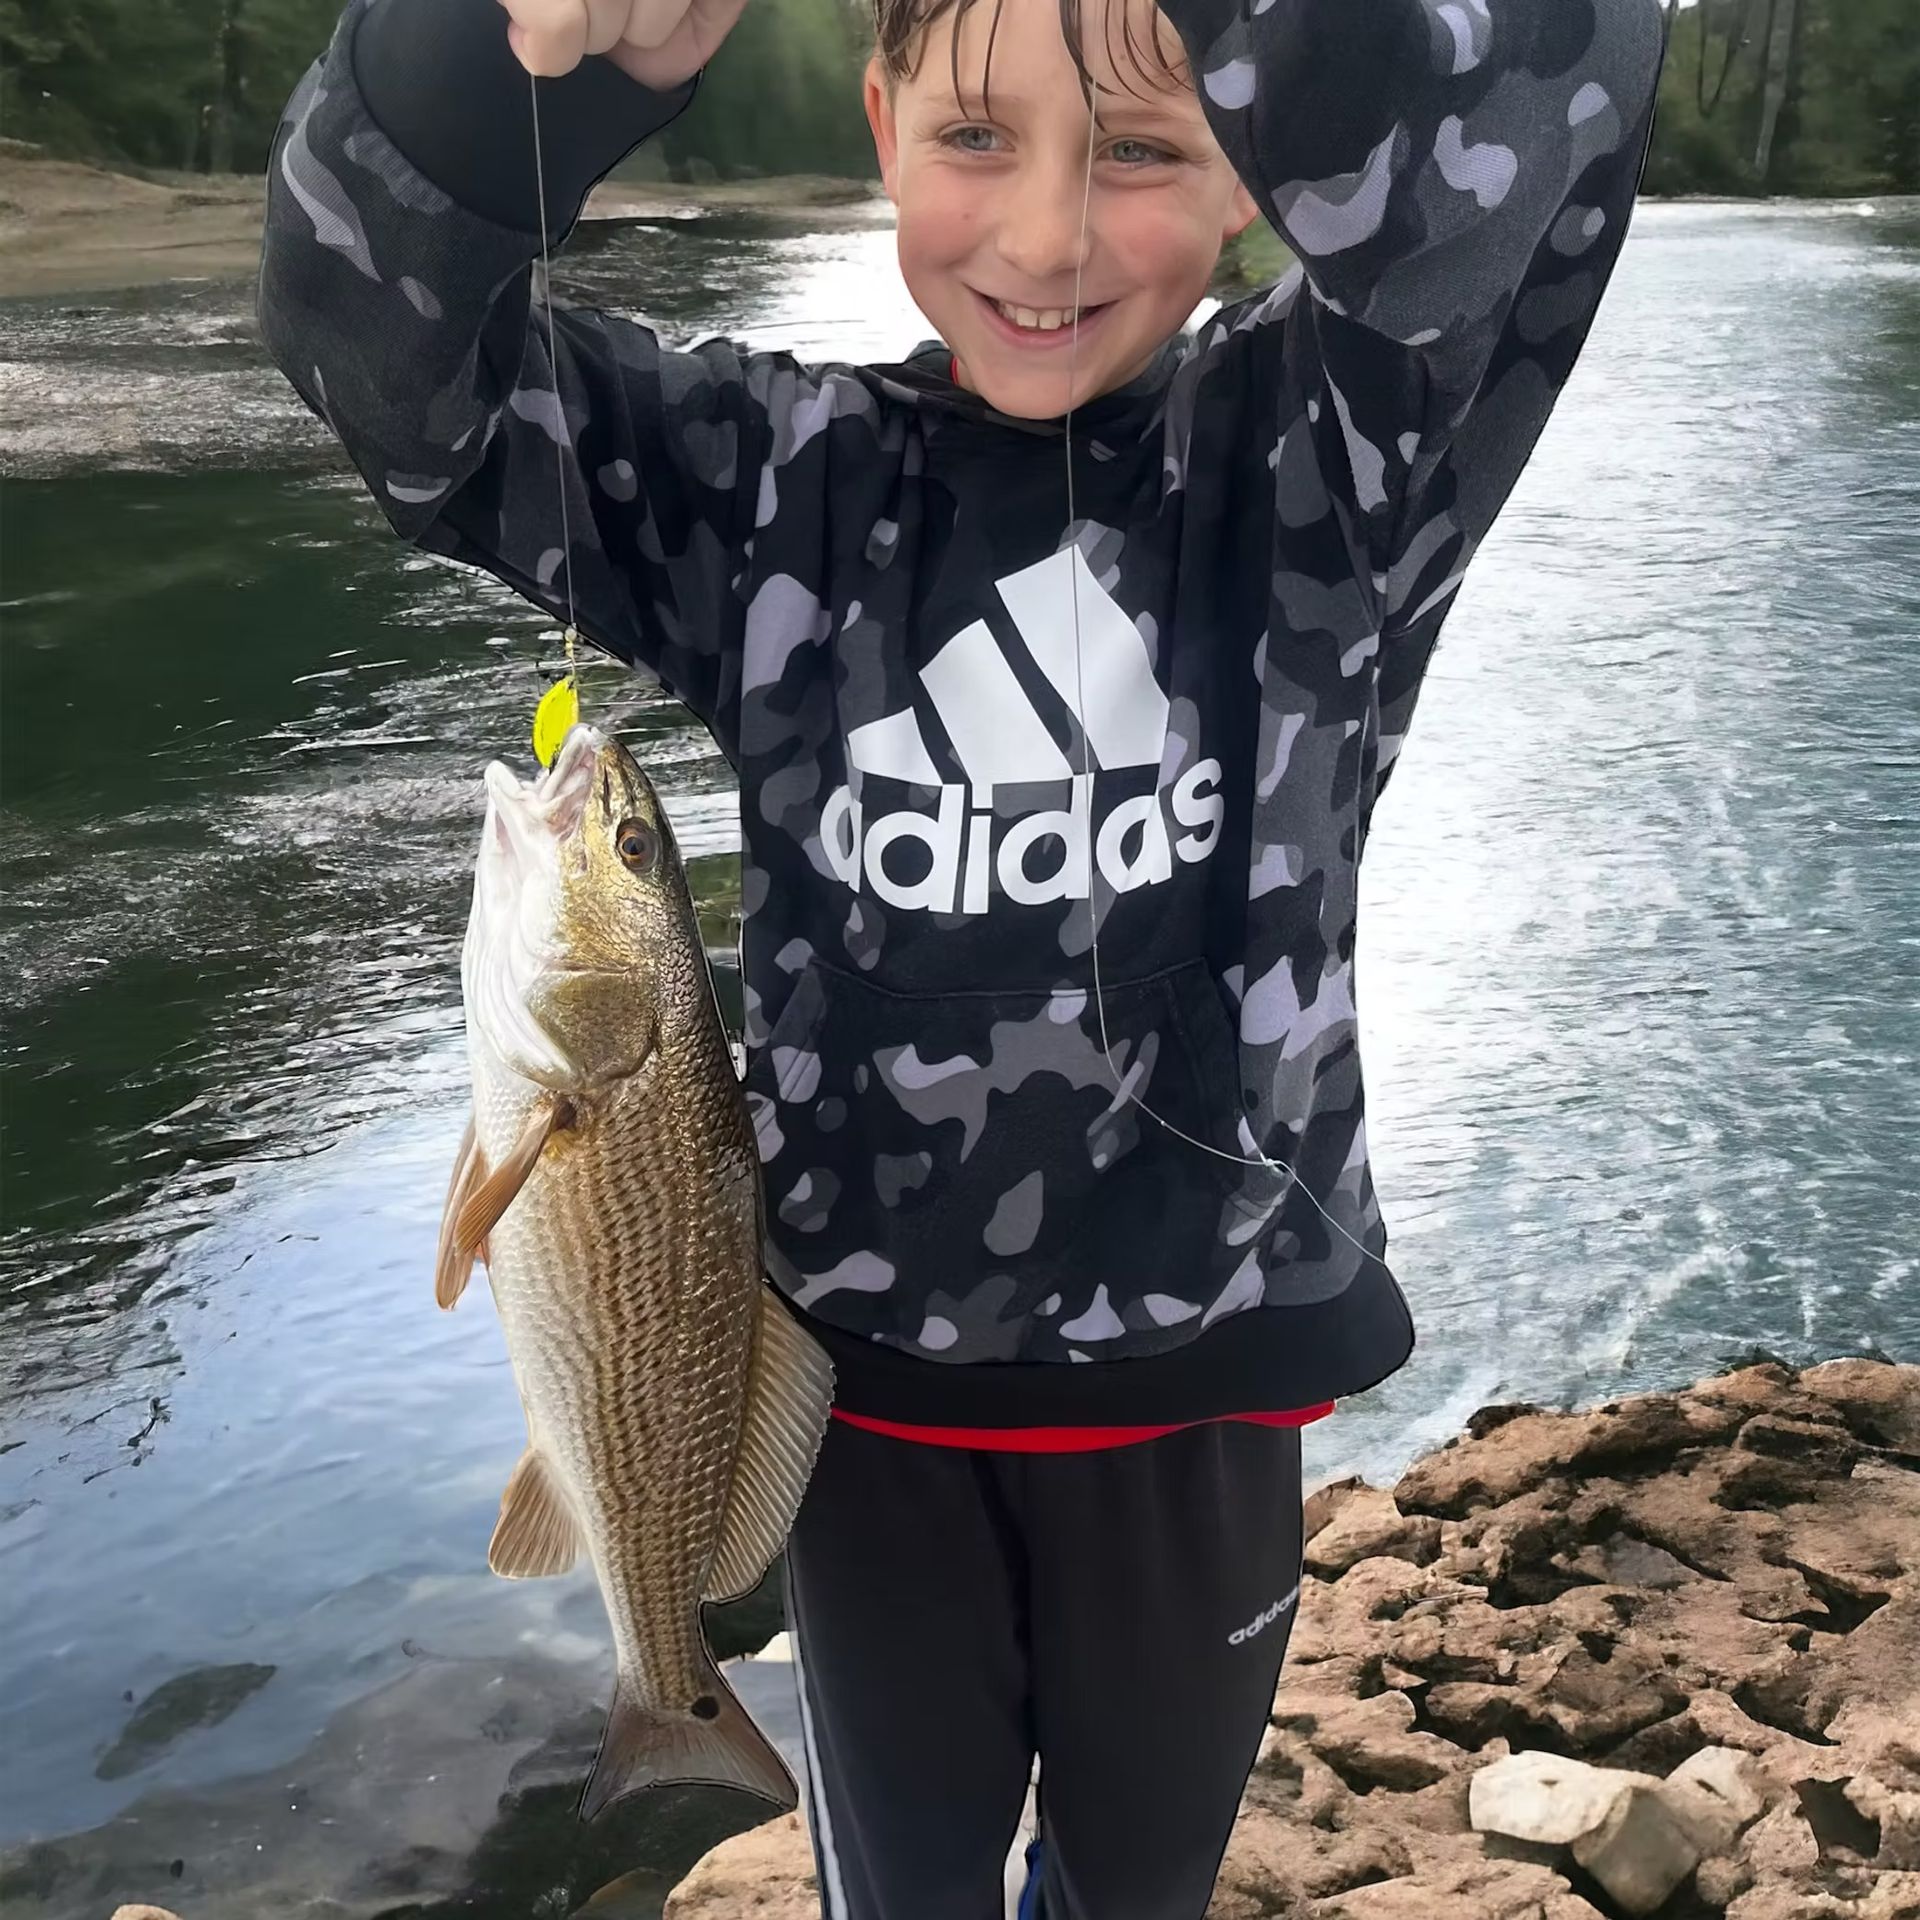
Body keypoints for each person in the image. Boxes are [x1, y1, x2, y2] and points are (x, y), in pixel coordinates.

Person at [258, 0, 1664, 1909]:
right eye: (978, 139)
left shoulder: (1342, 458)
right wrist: (537, 67)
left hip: (1204, 1400)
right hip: (851, 1413)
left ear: (1264, 165)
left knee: (1131, 1891)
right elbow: (386, 354)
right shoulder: (766, 485)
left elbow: (1560, 117)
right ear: (879, 123)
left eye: (1147, 150)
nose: (1046, 238)